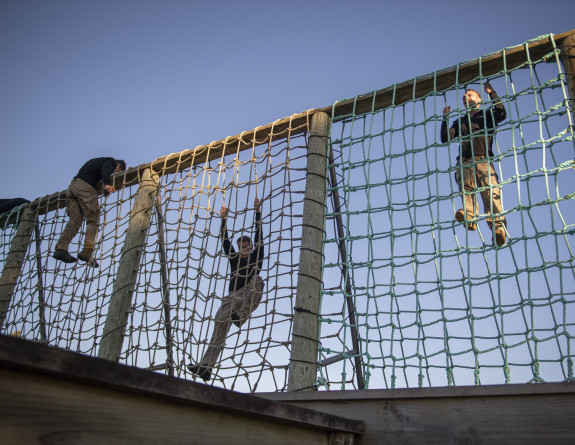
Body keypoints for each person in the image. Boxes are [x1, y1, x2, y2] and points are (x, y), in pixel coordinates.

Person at [188, 197, 265, 382]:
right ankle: (206, 366)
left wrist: (257, 212)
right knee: (218, 329)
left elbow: (259, 235)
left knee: (258, 280)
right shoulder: (234, 258)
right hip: (232, 298)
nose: (242, 250)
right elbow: (225, 240)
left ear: (250, 248)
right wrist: (223, 219)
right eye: (240, 247)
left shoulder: (256, 258)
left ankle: (242, 316)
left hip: (248, 294)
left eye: (245, 247)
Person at [441, 82, 508, 246]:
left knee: (491, 194)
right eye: (464, 97)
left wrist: (491, 93)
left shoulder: (486, 115)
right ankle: (469, 216)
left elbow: (501, 114)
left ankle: (498, 229)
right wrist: (445, 119)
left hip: (483, 160)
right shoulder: (460, 121)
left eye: (470, 96)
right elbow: (445, 138)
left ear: (479, 99)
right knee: (467, 189)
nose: (466, 98)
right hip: (464, 162)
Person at [53, 157, 126, 268]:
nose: (114, 174)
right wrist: (107, 184)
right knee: (93, 218)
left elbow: (96, 176)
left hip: (72, 187)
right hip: (84, 187)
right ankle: (87, 251)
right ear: (118, 166)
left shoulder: (96, 164)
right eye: (117, 172)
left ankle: (61, 248)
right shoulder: (110, 161)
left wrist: (105, 189)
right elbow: (106, 170)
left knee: (75, 220)